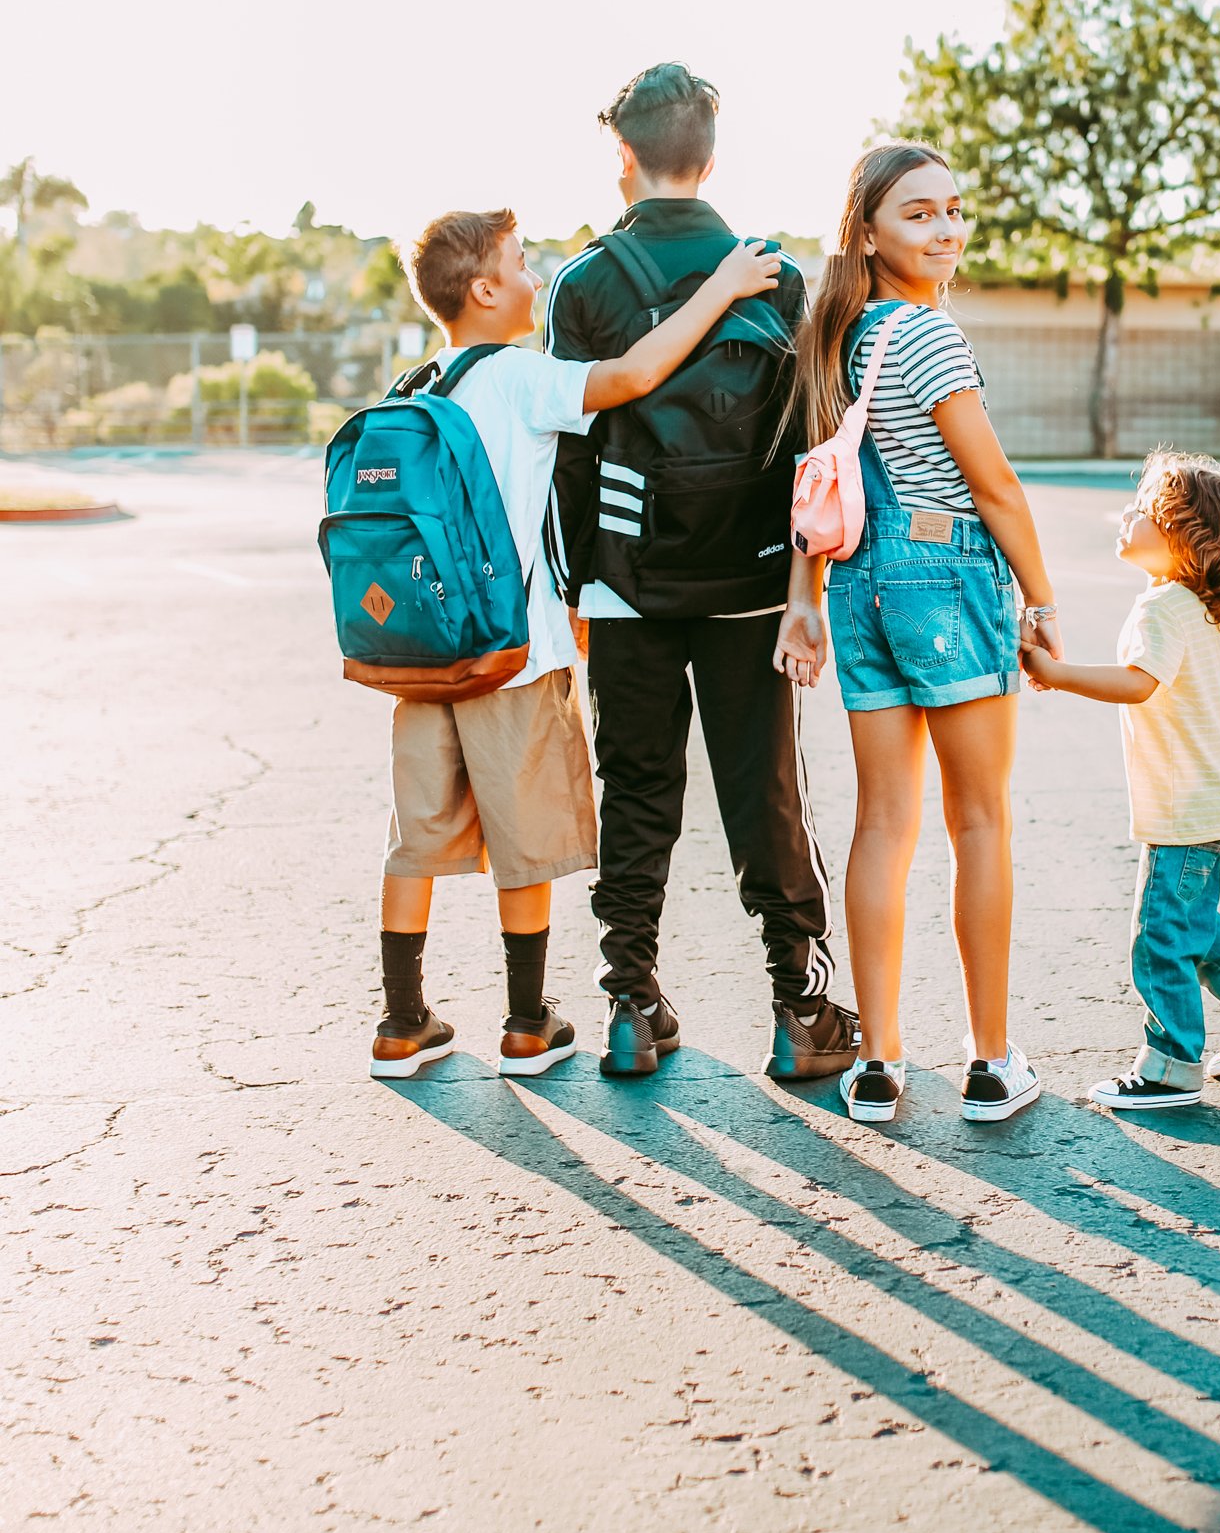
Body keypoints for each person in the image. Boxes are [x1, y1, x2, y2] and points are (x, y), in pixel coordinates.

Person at [371, 204, 784, 1080]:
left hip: (421, 655)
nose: (535, 277)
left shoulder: (412, 388)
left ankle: (401, 1021)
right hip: (514, 656)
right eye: (521, 264)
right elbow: (635, 375)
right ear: (484, 289)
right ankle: (527, 1023)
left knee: (414, 838)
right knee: (523, 839)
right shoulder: (521, 377)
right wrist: (726, 284)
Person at [544, 63, 857, 1083]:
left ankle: (631, 1004)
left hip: (626, 582)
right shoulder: (772, 274)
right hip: (756, 580)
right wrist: (801, 587)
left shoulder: (584, 284)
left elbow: (570, 451)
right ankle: (798, 1006)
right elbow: (811, 442)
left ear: (621, 154)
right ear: (710, 155)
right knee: (762, 789)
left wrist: (574, 587)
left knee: (635, 786)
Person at [774, 142, 1063, 1126]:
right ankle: (988, 1062)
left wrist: (803, 595)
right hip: (945, 578)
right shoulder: (928, 338)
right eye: (917, 214)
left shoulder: (841, 336)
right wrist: (1039, 596)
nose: (944, 230)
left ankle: (878, 1064)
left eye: (951, 209)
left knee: (881, 824)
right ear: (868, 230)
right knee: (977, 819)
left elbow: (819, 485)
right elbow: (993, 486)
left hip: (858, 585)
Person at [1020, 450, 1220, 1111]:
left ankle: (1172, 1062)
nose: (1125, 516)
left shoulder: (1163, 609)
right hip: (1211, 795)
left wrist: (1055, 674)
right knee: (1188, 921)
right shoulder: (1206, 605)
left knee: (1158, 937)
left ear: (1185, 537)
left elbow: (1138, 685)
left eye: (1143, 512)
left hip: (1184, 804)